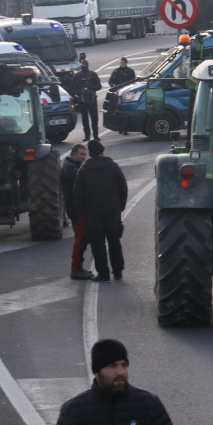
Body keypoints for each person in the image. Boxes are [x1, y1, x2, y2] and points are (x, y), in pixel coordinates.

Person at [55, 339, 174, 425]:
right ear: (97, 371)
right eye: (112, 366)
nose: (121, 372)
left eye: (124, 365)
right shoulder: (73, 411)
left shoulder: (149, 404)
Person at [74, 140, 126, 282]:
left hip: (92, 214)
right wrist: (119, 207)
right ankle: (118, 271)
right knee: (114, 242)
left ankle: (103, 273)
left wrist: (84, 211)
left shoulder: (83, 170)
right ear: (102, 152)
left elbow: (78, 194)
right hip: (112, 212)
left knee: (98, 245)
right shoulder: (113, 167)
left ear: (90, 154)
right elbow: (123, 188)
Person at [62, 144, 93, 280]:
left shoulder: (72, 166)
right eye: (81, 154)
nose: (83, 158)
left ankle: (79, 267)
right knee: (80, 238)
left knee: (83, 238)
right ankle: (75, 268)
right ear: (73, 154)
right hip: (76, 210)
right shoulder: (69, 169)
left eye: (85, 155)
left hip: (76, 208)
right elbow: (82, 180)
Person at [71, 61, 102, 141]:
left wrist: (91, 87)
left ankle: (95, 135)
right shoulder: (77, 75)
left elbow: (99, 86)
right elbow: (71, 87)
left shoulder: (93, 75)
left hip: (92, 99)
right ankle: (87, 135)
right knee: (84, 118)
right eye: (82, 65)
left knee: (94, 118)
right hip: (81, 99)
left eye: (84, 65)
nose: (83, 66)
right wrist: (78, 85)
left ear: (87, 65)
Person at [109, 58, 137, 135]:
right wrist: (113, 86)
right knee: (117, 111)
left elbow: (133, 82)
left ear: (126, 63)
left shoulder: (130, 71)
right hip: (117, 93)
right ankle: (119, 127)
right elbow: (111, 80)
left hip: (126, 94)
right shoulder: (116, 71)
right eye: (121, 62)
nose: (122, 64)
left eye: (123, 62)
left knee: (125, 111)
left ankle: (125, 128)